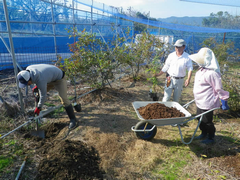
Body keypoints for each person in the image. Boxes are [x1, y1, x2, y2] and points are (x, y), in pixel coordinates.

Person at [17, 64, 78, 130]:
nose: (27, 85)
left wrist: (39, 107)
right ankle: (39, 117)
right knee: (37, 93)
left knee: (63, 98)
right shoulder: (28, 69)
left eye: (27, 83)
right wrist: (37, 89)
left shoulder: (41, 80)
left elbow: (44, 95)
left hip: (59, 78)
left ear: (29, 79)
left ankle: (73, 119)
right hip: (49, 79)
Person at [189, 47, 229, 144]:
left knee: (207, 121)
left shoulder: (212, 74)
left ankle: (211, 137)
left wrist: (224, 101)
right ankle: (203, 133)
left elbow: (218, 88)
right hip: (199, 101)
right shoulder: (200, 71)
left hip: (208, 102)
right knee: (199, 118)